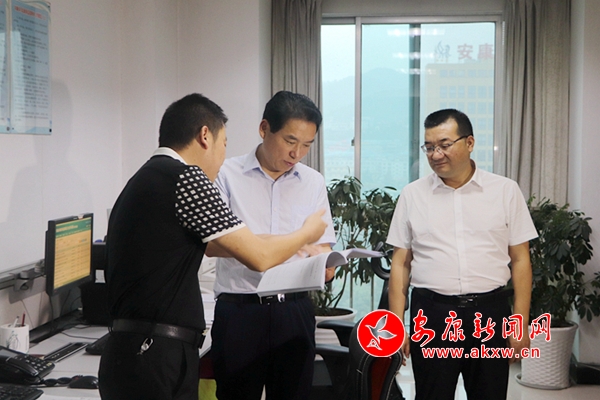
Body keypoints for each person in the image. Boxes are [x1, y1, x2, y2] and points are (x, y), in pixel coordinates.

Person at [98, 93, 327, 400]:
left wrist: (296, 243)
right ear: (205, 136)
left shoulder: (148, 176)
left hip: (135, 349)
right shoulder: (187, 178)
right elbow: (258, 257)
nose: (223, 156)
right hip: (155, 353)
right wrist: (306, 233)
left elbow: (245, 242)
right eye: (224, 143)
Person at [387, 109, 538, 400]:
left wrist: (519, 322)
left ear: (469, 143)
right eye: (429, 147)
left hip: (489, 314)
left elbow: (521, 260)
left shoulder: (505, 191)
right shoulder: (412, 195)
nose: (436, 154)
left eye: (444, 145)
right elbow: (401, 262)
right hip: (432, 315)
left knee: (490, 394)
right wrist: (396, 323)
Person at [207, 91, 337, 400]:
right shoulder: (226, 175)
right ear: (264, 128)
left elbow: (322, 247)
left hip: (294, 311)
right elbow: (212, 244)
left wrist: (325, 263)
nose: (297, 153)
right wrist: (290, 243)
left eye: (307, 145)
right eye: (290, 141)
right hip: (240, 311)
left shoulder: (313, 182)